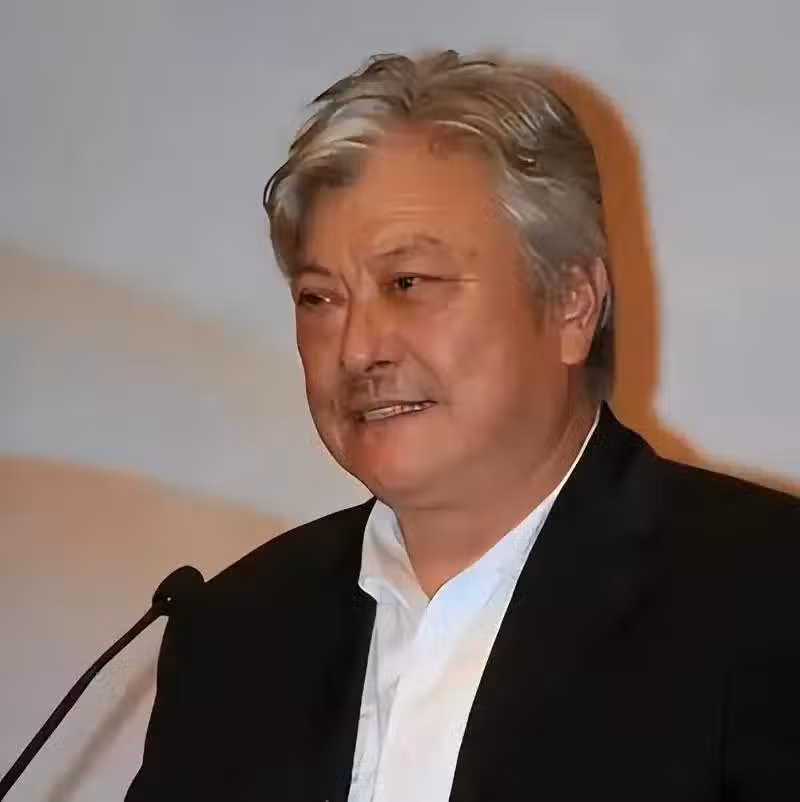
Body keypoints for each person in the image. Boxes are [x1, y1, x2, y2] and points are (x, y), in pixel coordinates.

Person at [126, 50, 800, 802]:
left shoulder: (768, 597)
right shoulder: (234, 635)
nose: (357, 349)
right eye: (320, 299)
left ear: (572, 303)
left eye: (407, 283)